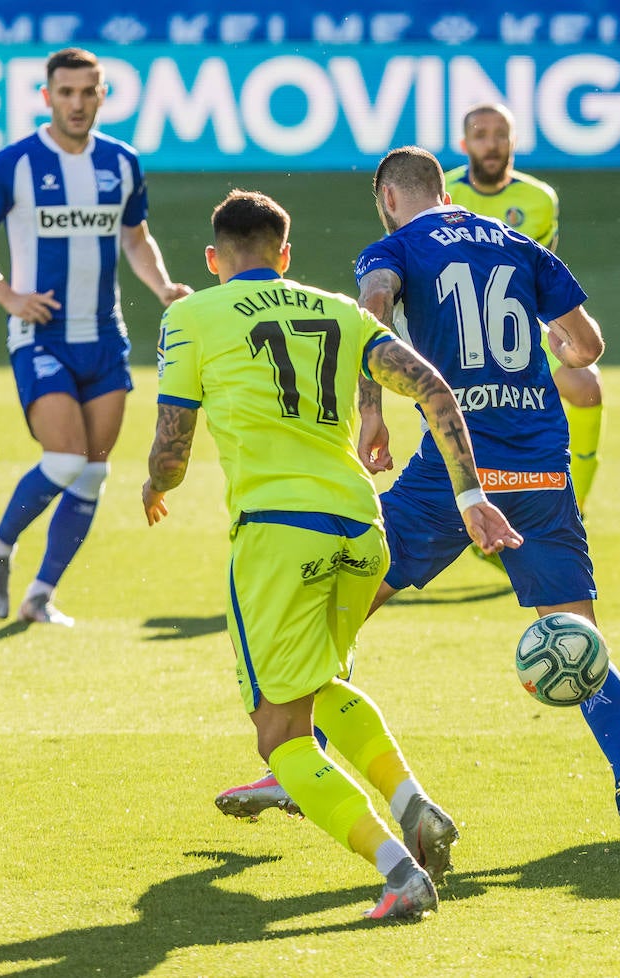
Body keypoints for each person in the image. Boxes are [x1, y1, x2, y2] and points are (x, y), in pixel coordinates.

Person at [217, 147, 620, 851]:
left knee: (341, 611)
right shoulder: (520, 245)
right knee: (582, 640)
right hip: (539, 471)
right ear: (444, 189)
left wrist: (370, 410)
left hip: (448, 474)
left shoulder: (393, 246)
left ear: (390, 199)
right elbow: (586, 346)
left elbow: (369, 318)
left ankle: (296, 759)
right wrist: (549, 343)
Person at [142, 189, 522, 921]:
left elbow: (173, 447)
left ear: (215, 260)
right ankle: (415, 804)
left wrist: (154, 486)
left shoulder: (189, 315)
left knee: (279, 735)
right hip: (361, 527)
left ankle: (398, 870)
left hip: (279, 534)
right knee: (323, 683)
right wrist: (471, 496)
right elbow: (436, 389)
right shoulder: (338, 311)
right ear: (285, 257)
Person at [0, 46, 191, 626]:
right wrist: (11, 297)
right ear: (47, 98)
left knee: (93, 470)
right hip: (41, 336)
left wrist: (161, 286)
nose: (78, 103)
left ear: (103, 95)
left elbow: (135, 236)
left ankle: (40, 594)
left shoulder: (122, 162)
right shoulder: (14, 163)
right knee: (63, 458)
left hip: (105, 338)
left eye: (89, 91)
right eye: (67, 92)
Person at [444, 102, 605, 514]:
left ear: (514, 141)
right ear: (464, 144)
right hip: (460, 336)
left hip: (518, 329)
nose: (491, 144)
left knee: (586, 388)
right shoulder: (444, 193)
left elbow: (540, 273)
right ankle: (472, 513)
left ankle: (577, 504)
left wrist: (561, 327)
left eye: (501, 134)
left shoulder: (538, 198)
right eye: (480, 135)